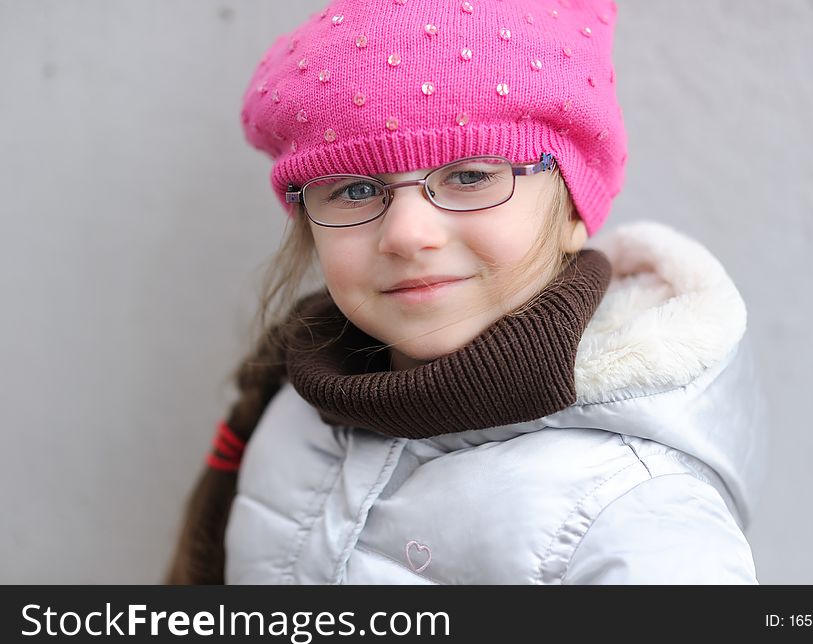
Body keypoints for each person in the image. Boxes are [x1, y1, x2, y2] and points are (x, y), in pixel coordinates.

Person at [165, 0, 768, 584]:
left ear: (572, 210)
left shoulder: (635, 519)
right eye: (352, 188)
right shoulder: (293, 410)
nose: (406, 233)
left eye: (471, 175)